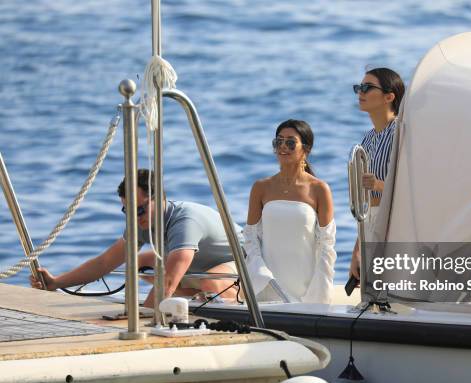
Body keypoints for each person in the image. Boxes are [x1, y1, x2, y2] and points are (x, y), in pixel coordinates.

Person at [30, 169, 242, 307]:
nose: (134, 217)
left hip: (244, 262)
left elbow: (167, 280)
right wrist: (56, 282)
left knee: (199, 280)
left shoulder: (185, 221)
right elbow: (105, 262)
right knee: (139, 264)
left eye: (140, 210)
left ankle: (228, 299)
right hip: (199, 265)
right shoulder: (142, 221)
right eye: (127, 211)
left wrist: (143, 315)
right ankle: (196, 294)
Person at [244, 119, 336, 303]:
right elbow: (251, 237)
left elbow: (327, 244)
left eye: (291, 142)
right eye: (279, 141)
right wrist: (261, 275)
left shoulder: (319, 189)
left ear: (306, 149)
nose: (283, 147)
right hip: (268, 286)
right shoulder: (261, 187)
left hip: (306, 287)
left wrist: (319, 293)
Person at [350, 67, 405, 280]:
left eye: (367, 87)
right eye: (358, 87)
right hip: (370, 222)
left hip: (395, 223)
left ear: (389, 96)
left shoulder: (401, 132)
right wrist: (358, 249)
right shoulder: (367, 139)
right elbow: (366, 202)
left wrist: (378, 185)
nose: (360, 92)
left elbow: (412, 185)